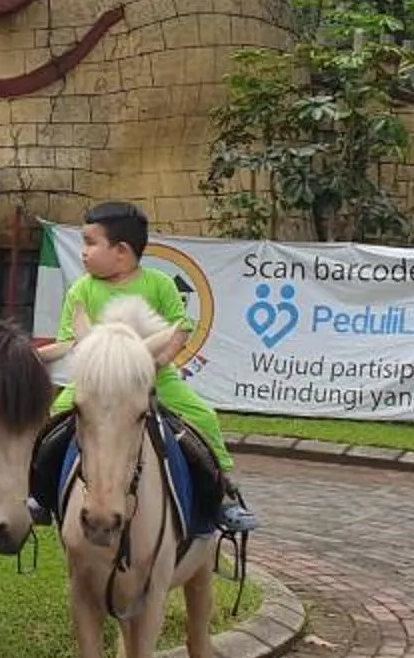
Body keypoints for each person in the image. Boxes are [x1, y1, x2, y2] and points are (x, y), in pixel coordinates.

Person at [34, 202, 254, 534]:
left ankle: (222, 497)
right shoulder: (82, 290)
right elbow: (70, 341)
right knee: (55, 418)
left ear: (121, 251)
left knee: (204, 417)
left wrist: (158, 362)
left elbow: (182, 326)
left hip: (155, 380)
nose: (84, 253)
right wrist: (31, 355)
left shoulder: (160, 284)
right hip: (97, 385)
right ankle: (39, 494)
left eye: (91, 243)